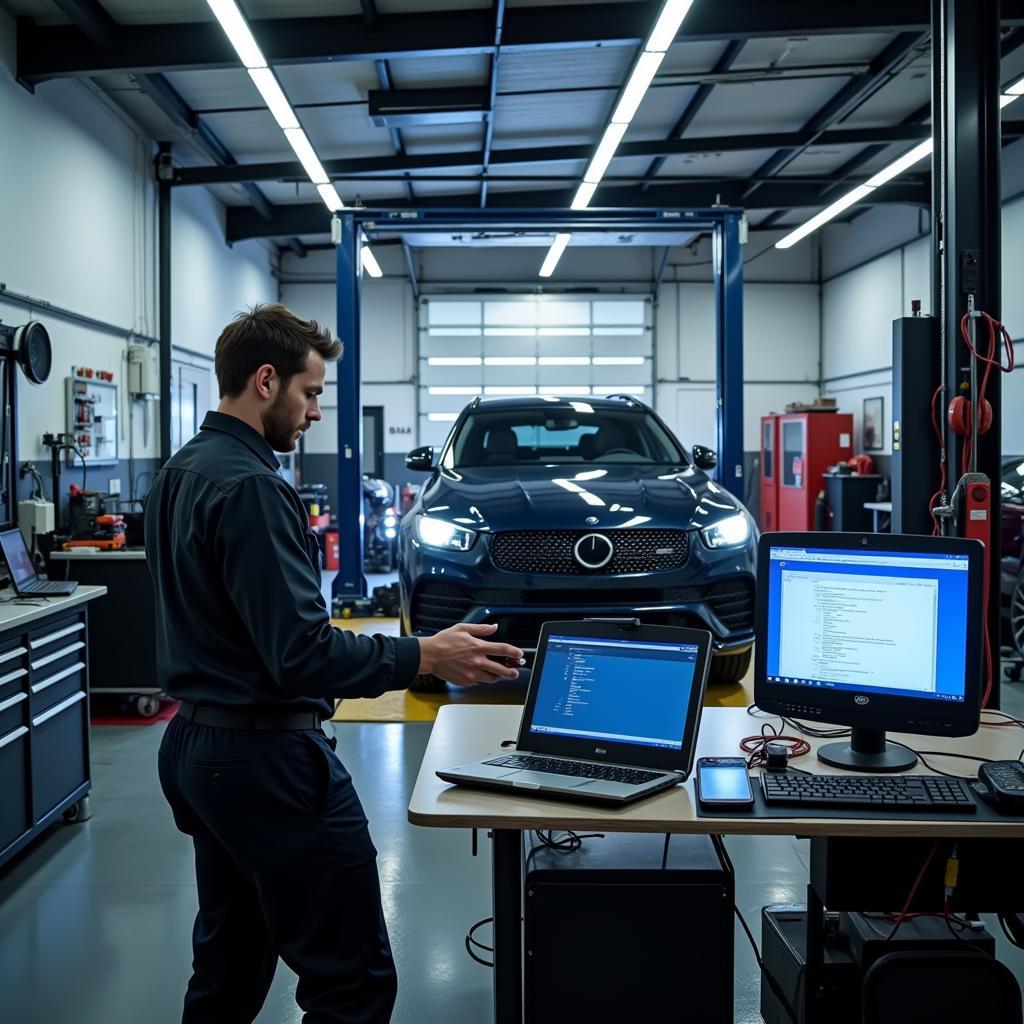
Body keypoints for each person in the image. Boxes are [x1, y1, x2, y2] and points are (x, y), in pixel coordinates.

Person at [145, 303, 523, 1024]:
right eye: (310, 392)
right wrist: (423, 654)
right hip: (265, 759)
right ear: (265, 380)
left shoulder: (182, 470)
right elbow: (301, 653)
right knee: (351, 981)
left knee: (228, 966)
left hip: (198, 749)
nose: (316, 410)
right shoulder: (253, 487)